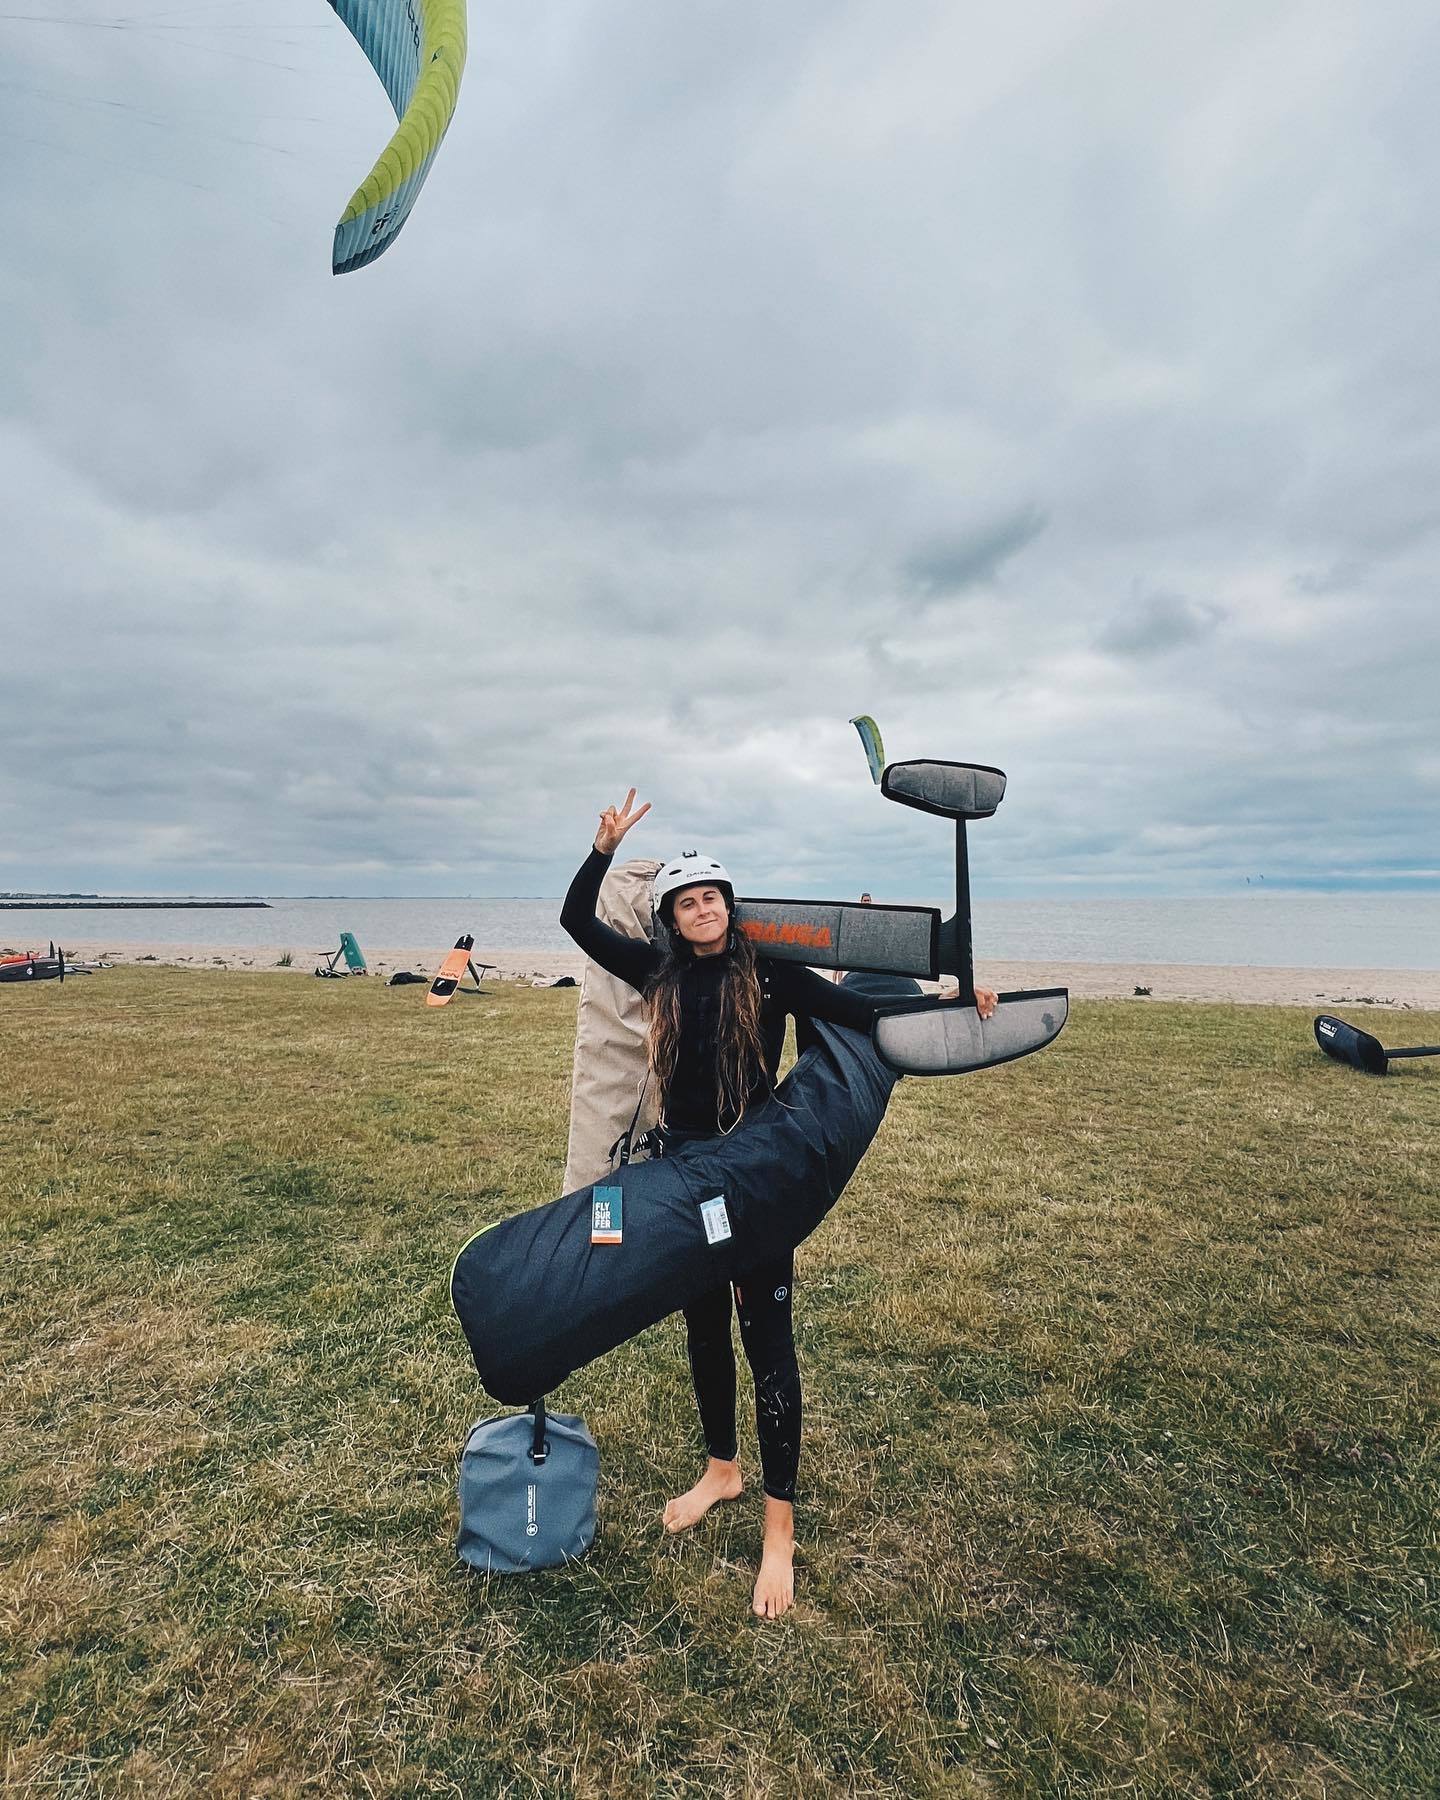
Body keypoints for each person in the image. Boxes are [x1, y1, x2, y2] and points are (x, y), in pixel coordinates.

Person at [562, 790, 997, 1619]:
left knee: (767, 1341)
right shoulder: (655, 973)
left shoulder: (770, 973)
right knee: (703, 1328)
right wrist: (603, 850)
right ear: (671, 918)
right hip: (683, 1173)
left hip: (753, 1172)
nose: (704, 909)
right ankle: (721, 1470)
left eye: (713, 897)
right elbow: (577, 922)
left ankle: (778, 1532)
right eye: (688, 902)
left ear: (729, 906)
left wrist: (951, 1001)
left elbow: (863, 1011)